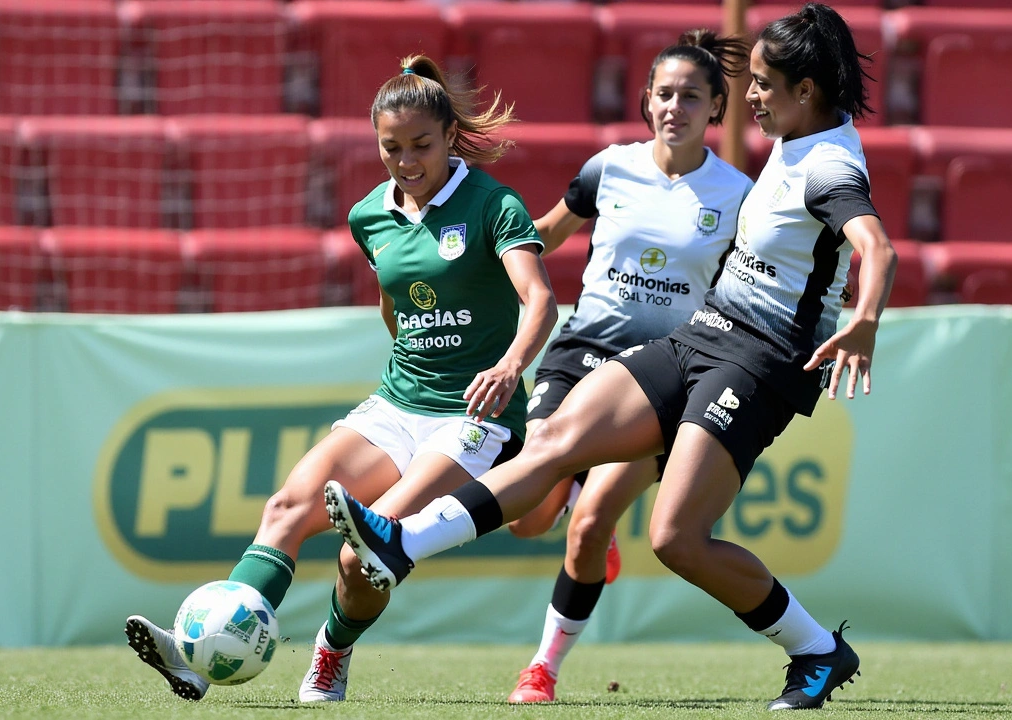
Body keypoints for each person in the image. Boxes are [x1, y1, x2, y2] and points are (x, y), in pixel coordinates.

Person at [326, 3, 897, 710]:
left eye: (759, 84)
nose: (748, 97)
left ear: (804, 91)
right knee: (556, 442)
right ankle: (400, 541)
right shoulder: (795, 133)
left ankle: (815, 649)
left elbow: (876, 245)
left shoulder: (830, 165)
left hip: (760, 364)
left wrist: (865, 319)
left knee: (677, 539)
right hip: (705, 332)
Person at [125, 54, 557, 703]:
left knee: (364, 554)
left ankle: (331, 652)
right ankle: (194, 656)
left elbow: (540, 300)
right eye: (391, 148)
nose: (406, 161)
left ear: (447, 138)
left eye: (420, 145)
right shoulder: (369, 216)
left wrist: (508, 365)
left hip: (473, 417)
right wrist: (413, 365)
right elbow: (394, 303)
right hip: (398, 403)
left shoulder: (492, 203)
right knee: (286, 508)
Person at [500, 30, 755, 704]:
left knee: (586, 530)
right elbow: (547, 230)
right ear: (645, 102)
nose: (676, 106)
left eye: (691, 96)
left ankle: (542, 670)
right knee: (528, 519)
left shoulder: (739, 195)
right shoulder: (608, 167)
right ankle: (576, 485)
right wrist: (494, 261)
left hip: (665, 375)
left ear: (714, 109)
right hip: (583, 354)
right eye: (664, 94)